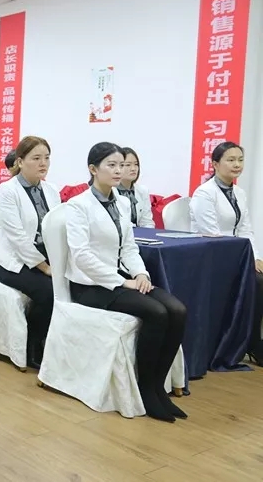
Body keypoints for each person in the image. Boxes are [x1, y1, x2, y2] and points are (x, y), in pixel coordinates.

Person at [66, 142, 187, 422]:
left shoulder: (121, 202)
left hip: (122, 277)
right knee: (156, 313)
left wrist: (141, 274)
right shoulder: (78, 206)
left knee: (177, 310)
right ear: (93, 169)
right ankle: (146, 390)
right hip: (91, 285)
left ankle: (158, 387)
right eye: (112, 165)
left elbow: (129, 247)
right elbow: (81, 256)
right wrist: (122, 282)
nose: (119, 170)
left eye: (121, 164)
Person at [0, 136, 60, 369]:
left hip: (45, 256)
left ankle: (55, 343)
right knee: (49, 292)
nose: (43, 163)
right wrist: (45, 267)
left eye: (47, 158)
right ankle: (33, 344)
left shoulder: (51, 190)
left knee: (72, 285)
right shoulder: (7, 190)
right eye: (36, 158)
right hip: (13, 261)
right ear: (20, 162)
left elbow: (57, 228)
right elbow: (17, 238)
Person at [190, 141, 263, 364]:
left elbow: (245, 229)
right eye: (230, 160)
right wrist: (244, 260)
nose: (237, 165)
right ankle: (249, 342)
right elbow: (212, 234)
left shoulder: (239, 192)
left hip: (237, 255)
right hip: (213, 256)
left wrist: (255, 257)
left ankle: (250, 339)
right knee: (258, 282)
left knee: (260, 277)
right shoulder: (204, 193)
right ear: (215, 164)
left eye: (240, 160)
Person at [117, 147, 154, 228]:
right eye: (128, 165)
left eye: (136, 164)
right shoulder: (109, 191)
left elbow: (147, 222)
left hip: (139, 234)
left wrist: (148, 233)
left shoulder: (143, 191)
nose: (133, 169)